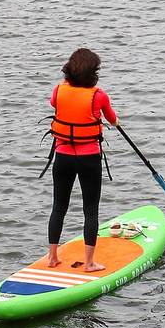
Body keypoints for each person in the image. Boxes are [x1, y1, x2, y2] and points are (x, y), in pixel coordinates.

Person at [43, 47, 119, 272]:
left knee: (59, 206)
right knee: (91, 210)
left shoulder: (59, 90)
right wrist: (115, 122)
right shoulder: (99, 95)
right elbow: (112, 118)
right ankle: (89, 263)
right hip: (89, 159)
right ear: (93, 73)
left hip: (63, 156)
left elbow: (54, 104)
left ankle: (52, 257)